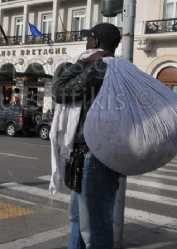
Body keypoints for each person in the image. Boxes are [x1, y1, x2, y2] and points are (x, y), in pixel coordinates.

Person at [52, 23, 122, 249]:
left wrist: (82, 62)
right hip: (95, 155)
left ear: (95, 40)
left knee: (94, 230)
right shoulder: (121, 66)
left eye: (88, 38)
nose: (86, 43)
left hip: (94, 158)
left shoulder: (100, 68)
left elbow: (59, 91)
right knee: (79, 221)